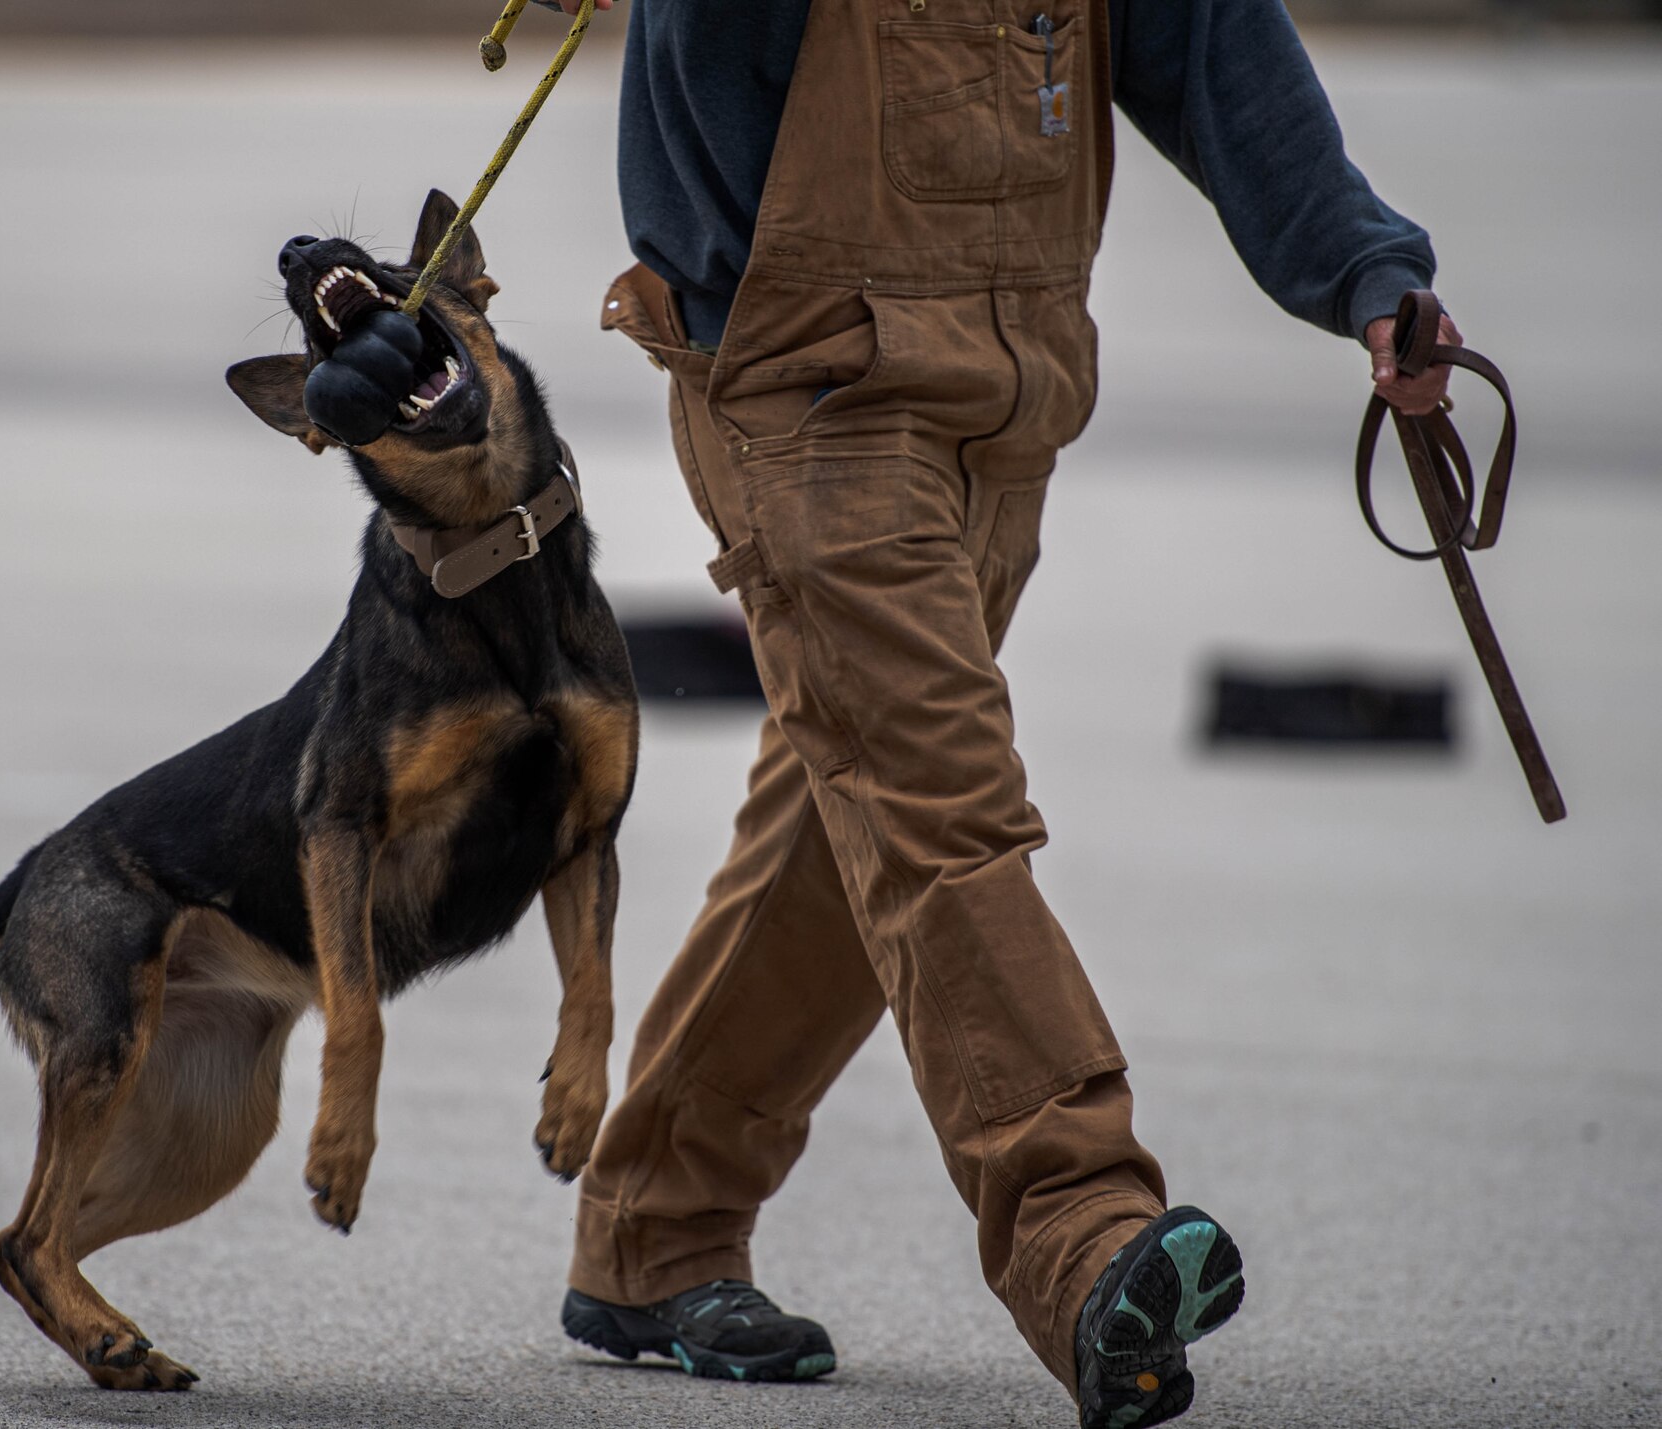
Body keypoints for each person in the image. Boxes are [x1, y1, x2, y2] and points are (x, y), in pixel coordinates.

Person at [541, 1, 1456, 1425]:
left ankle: (654, 1229)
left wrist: (1364, 269)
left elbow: (1212, 44)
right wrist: (726, 303)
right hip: (811, 406)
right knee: (941, 821)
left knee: (843, 837)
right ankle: (1082, 1238)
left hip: (1003, 413)